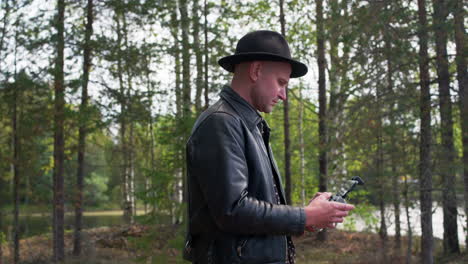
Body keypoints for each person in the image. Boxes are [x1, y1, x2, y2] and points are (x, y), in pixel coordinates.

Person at [183, 30, 354, 264]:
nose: (284, 95)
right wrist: (305, 215)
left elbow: (253, 212)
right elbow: (233, 210)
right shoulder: (221, 122)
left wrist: (304, 220)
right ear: (256, 71)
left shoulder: (248, 124)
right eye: (281, 83)